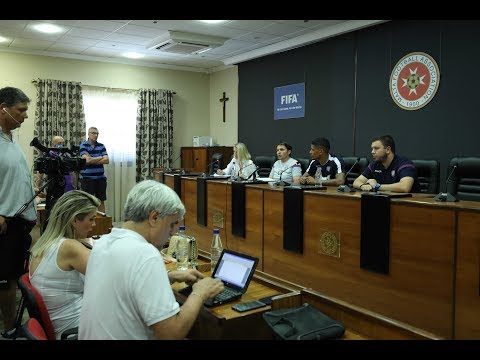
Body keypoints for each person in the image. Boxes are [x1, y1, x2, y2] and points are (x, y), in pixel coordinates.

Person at [79, 180, 224, 340]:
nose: (173, 232)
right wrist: (199, 293)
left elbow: (125, 284)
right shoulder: (146, 254)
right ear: (154, 217)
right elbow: (171, 334)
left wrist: (168, 277)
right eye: (172, 224)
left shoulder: (103, 243)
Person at [29, 190, 100, 339]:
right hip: (76, 328)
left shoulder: (45, 243)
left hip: (63, 323)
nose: (94, 224)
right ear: (75, 220)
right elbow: (112, 277)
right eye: (91, 219)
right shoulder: (69, 247)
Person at [0, 87, 37, 338]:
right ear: (3, 108)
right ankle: (10, 329)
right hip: (5, 222)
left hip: (20, 221)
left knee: (15, 275)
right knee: (6, 279)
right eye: (20, 110)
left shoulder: (10, 139)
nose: (25, 116)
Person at [352, 134, 421, 193]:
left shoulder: (404, 164)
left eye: (376, 148)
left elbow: (404, 187)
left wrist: (377, 186)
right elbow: (357, 181)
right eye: (372, 149)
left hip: (410, 205)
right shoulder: (375, 165)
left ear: (388, 150)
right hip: (385, 201)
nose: (372, 152)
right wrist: (363, 186)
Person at [79, 127, 109, 213]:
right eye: (93, 133)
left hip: (100, 178)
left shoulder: (101, 146)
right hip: (87, 179)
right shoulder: (83, 145)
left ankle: (102, 222)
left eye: (97, 134)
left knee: (101, 201)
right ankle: (90, 221)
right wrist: (100, 157)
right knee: (88, 202)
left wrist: (91, 158)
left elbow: (106, 160)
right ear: (88, 134)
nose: (95, 135)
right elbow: (86, 160)